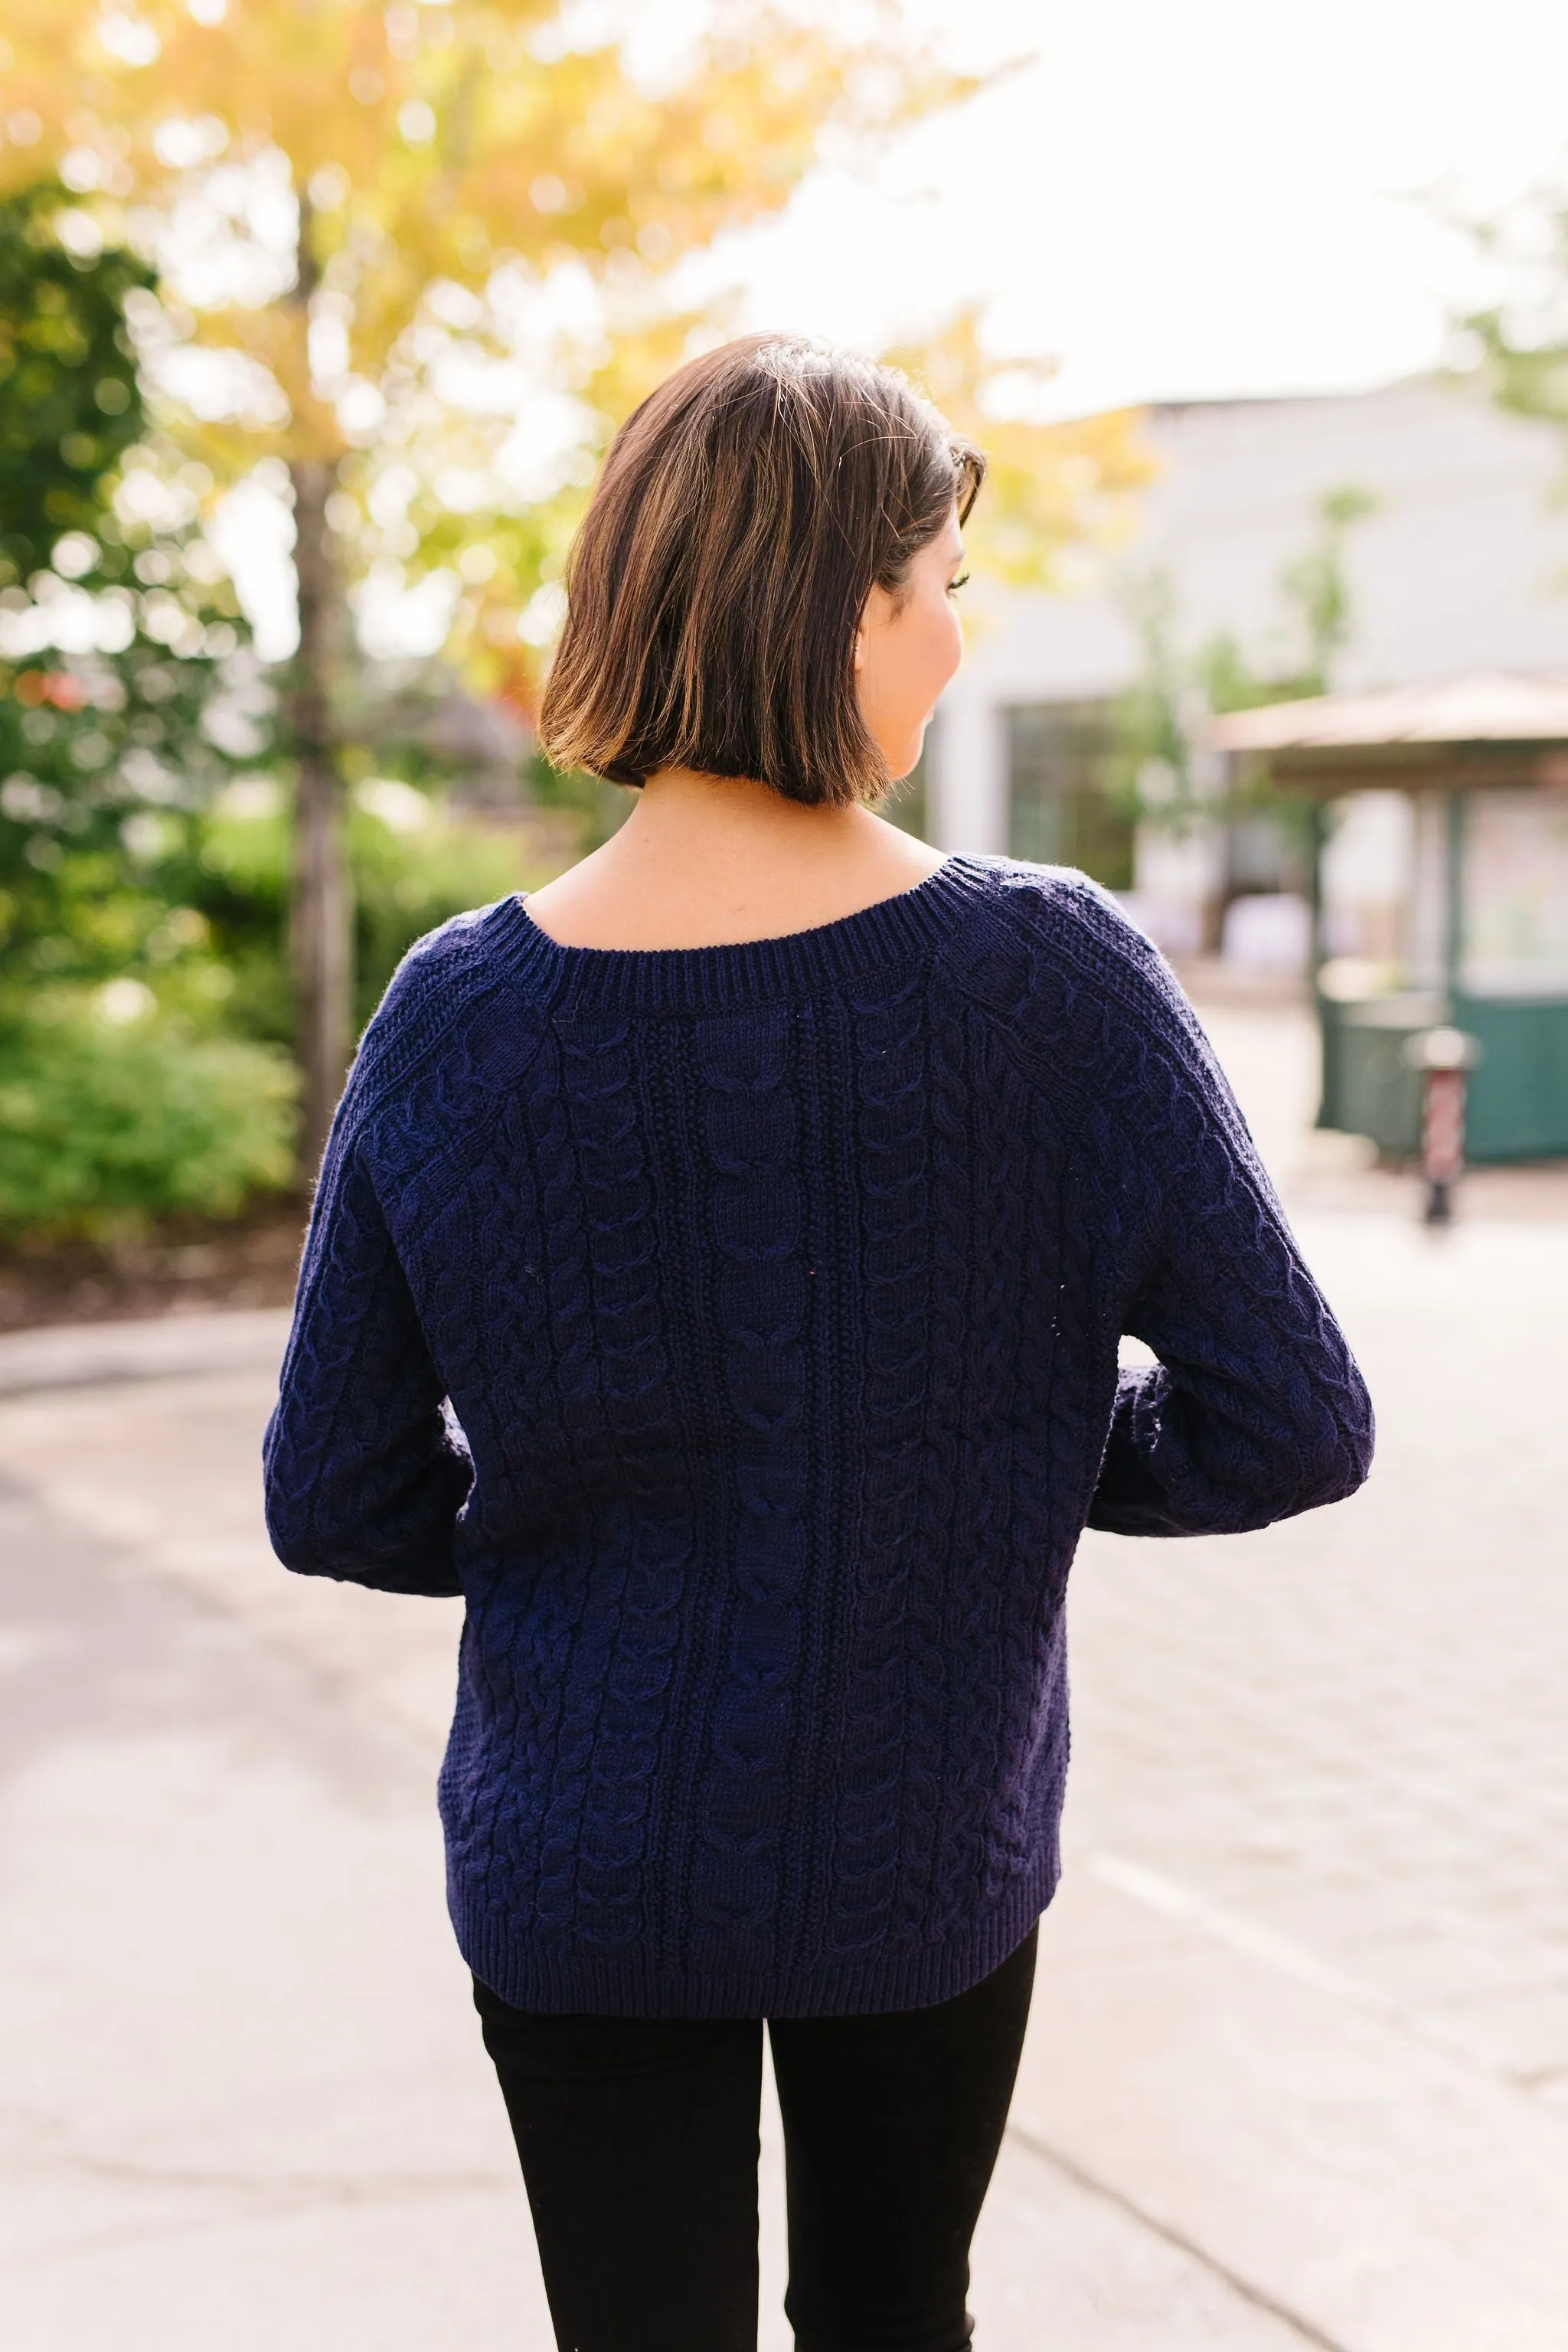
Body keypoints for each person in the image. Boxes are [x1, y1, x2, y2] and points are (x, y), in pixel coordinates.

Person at [263, 335, 1374, 2352]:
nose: (959, 636)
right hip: (919, 1848)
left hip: (576, 1866)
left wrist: (605, 1523)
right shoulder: (1054, 979)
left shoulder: (453, 1017)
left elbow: (333, 1494)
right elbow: (1288, 1421)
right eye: (947, 583)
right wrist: (979, 1454)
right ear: (849, 606)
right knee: (891, 2317)